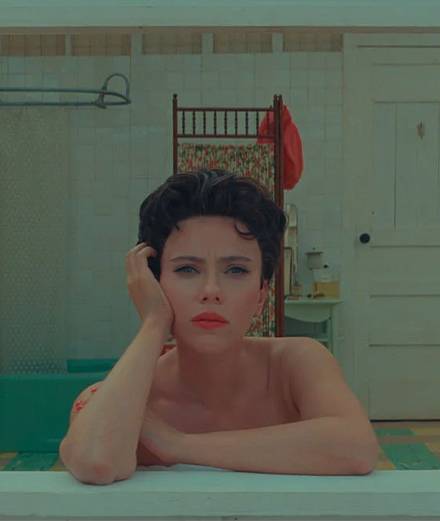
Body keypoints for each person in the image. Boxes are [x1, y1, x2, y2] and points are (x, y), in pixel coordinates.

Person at [61, 168, 378, 483]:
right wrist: (154, 323)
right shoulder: (127, 399)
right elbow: (95, 461)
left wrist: (177, 445)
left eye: (236, 270)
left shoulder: (295, 364)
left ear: (261, 295)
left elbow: (356, 448)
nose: (211, 291)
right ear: (154, 285)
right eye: (187, 269)